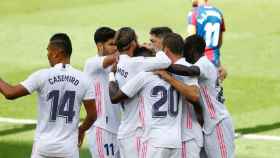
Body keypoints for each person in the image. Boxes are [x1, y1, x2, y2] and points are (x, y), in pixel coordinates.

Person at [0, 33, 97, 158]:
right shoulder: (84, 79)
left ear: (57, 53)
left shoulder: (42, 76)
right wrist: (82, 129)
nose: (48, 55)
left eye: (49, 51)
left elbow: (10, 93)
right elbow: (93, 114)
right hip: (68, 149)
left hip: (43, 147)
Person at [160, 35, 235, 158]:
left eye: (186, 49)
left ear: (192, 50)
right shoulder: (207, 64)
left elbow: (191, 71)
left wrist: (164, 66)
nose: (183, 53)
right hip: (210, 123)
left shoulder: (203, 63)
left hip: (217, 122)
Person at [110, 27, 172, 158]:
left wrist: (111, 74)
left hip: (126, 128)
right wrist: (155, 48)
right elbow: (166, 61)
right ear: (133, 43)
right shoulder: (135, 63)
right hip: (135, 132)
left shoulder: (119, 63)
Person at [153, 33, 204, 158]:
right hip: (178, 137)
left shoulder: (185, 67)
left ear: (166, 50)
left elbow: (194, 95)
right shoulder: (172, 67)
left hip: (188, 137)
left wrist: (169, 78)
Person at [83, 27, 121, 158]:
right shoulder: (91, 64)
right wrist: (132, 48)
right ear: (99, 46)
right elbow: (116, 57)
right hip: (101, 128)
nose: (115, 48)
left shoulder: (117, 64)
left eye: (117, 44)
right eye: (111, 44)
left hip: (118, 129)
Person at [187, 0, 228, 81]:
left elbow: (191, 39)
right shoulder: (218, 13)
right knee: (213, 91)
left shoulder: (194, 13)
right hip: (214, 60)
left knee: (197, 91)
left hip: (198, 60)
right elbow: (219, 42)